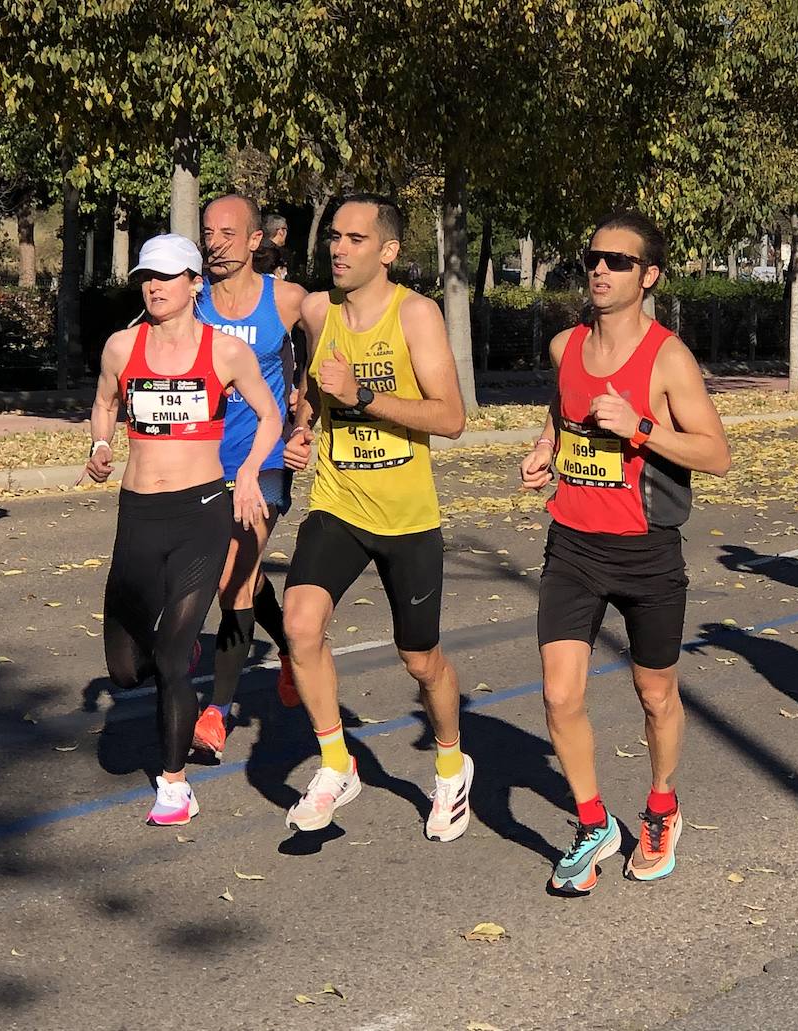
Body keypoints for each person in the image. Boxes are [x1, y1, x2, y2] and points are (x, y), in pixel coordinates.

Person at [520, 210, 730, 892]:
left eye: (617, 261)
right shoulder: (565, 346)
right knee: (558, 693)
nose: (601, 270)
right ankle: (591, 823)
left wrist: (640, 426)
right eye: (593, 258)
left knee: (654, 692)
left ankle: (662, 805)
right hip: (573, 542)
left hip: (646, 549)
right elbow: (563, 409)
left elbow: (716, 453)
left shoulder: (668, 358)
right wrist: (544, 448)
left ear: (649, 276)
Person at [281, 195, 473, 842]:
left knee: (421, 660)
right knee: (299, 625)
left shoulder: (416, 315)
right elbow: (310, 384)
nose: (338, 248)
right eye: (334, 236)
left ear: (388, 250)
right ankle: (338, 763)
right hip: (338, 502)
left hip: (408, 516)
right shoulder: (317, 310)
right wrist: (302, 427)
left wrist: (364, 395)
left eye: (356, 239)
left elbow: (450, 418)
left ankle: (451, 765)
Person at [81, 234, 281, 825]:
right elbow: (103, 403)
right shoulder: (122, 346)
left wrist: (247, 473)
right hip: (138, 513)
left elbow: (270, 414)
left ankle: (174, 785)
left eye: (168, 277)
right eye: (148, 275)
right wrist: (98, 443)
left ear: (196, 284)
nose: (155, 286)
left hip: (202, 513)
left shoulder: (224, 353)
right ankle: (176, 651)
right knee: (124, 668)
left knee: (171, 659)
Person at [190, 195, 308, 760]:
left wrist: (305, 421)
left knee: (232, 578)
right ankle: (286, 645)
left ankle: (217, 711)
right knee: (244, 573)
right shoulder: (192, 301)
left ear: (256, 240)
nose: (215, 242)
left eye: (228, 233)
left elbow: (331, 358)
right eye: (208, 231)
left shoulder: (285, 301)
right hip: (201, 463)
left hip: (262, 463)